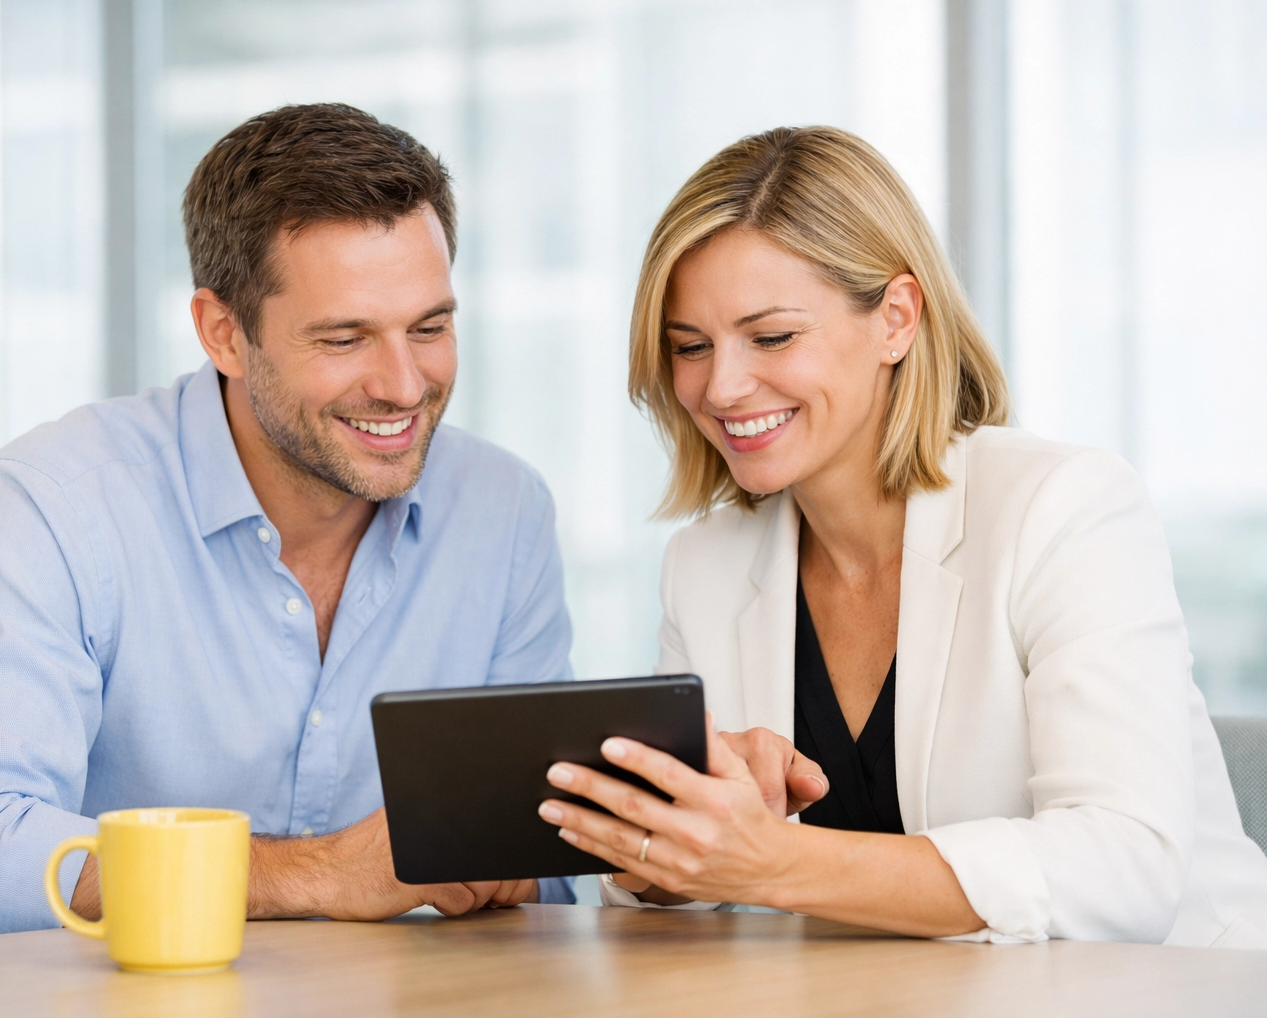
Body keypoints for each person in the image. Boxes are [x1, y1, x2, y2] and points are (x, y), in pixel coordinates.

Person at [536, 125, 1267, 947]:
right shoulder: (704, 566)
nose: (723, 386)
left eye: (771, 336)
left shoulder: (1064, 508)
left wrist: (772, 858)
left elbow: (1125, 867)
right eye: (690, 348)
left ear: (896, 318)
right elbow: (672, 909)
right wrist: (659, 846)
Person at [0, 103, 575, 940]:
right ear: (224, 334)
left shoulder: (504, 512)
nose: (402, 384)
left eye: (429, 327)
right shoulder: (52, 506)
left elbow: (539, 876)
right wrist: (319, 873)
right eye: (345, 338)